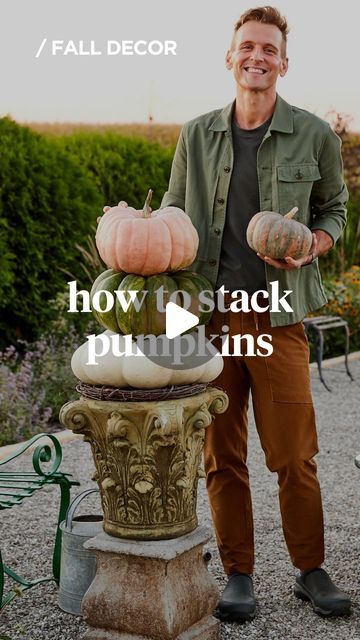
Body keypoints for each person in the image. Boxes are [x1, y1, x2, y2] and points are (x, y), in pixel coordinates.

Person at [160, 5, 351, 623]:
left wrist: (313, 245)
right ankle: (238, 572)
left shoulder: (313, 135)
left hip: (278, 316)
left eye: (269, 49)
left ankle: (310, 569)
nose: (257, 57)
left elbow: (335, 210)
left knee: (293, 453)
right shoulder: (196, 135)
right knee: (221, 454)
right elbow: (173, 213)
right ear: (230, 56)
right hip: (210, 319)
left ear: (283, 63)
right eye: (248, 46)